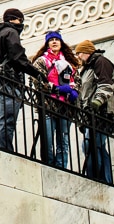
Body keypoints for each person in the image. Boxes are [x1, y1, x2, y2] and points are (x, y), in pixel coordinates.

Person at [0, 8, 46, 151]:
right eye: (20, 20)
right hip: (10, 80)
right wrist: (36, 73)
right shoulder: (11, 32)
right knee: (8, 119)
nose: (21, 24)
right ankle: (6, 149)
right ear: (14, 19)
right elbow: (17, 57)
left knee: (0, 118)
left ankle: (1, 146)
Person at [31, 31, 80, 168]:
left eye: (56, 39)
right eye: (51, 40)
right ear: (47, 43)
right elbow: (37, 80)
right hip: (48, 105)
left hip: (66, 107)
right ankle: (49, 165)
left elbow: (78, 80)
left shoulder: (70, 62)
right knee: (47, 140)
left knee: (63, 141)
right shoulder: (42, 61)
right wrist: (55, 89)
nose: (54, 42)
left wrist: (74, 90)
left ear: (61, 42)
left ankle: (61, 166)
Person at [74, 39, 114, 184]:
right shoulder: (88, 68)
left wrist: (96, 102)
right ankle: (105, 178)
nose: (78, 56)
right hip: (90, 114)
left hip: (100, 113)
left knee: (90, 144)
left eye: (79, 53)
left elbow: (106, 84)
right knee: (95, 145)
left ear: (87, 52)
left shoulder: (101, 62)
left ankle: (96, 178)